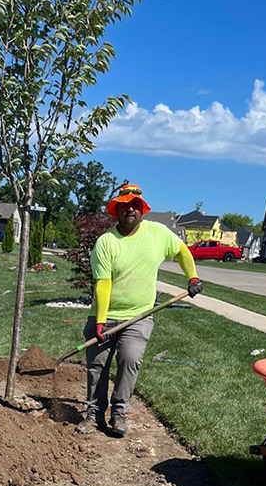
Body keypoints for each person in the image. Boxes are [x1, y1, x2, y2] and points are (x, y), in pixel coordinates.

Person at [77, 184, 203, 438]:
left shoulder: (158, 233)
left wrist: (192, 277)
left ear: (142, 208)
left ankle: (119, 414)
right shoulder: (106, 242)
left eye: (135, 205)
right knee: (97, 365)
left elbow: (181, 251)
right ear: (118, 210)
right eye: (125, 205)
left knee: (130, 359)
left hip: (139, 315)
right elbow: (103, 284)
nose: (130, 209)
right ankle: (94, 414)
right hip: (105, 314)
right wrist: (101, 323)